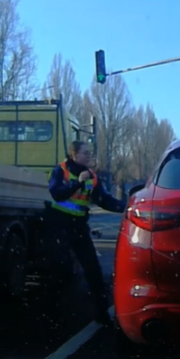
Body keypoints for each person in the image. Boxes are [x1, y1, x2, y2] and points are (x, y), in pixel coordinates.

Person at [46, 140, 126, 326]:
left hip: (79, 229)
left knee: (94, 271)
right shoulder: (60, 171)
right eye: (85, 153)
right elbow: (56, 193)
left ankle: (102, 315)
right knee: (59, 271)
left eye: (90, 153)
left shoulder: (92, 176)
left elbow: (104, 200)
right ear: (74, 154)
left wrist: (126, 206)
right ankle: (52, 314)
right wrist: (77, 183)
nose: (89, 156)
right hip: (59, 227)